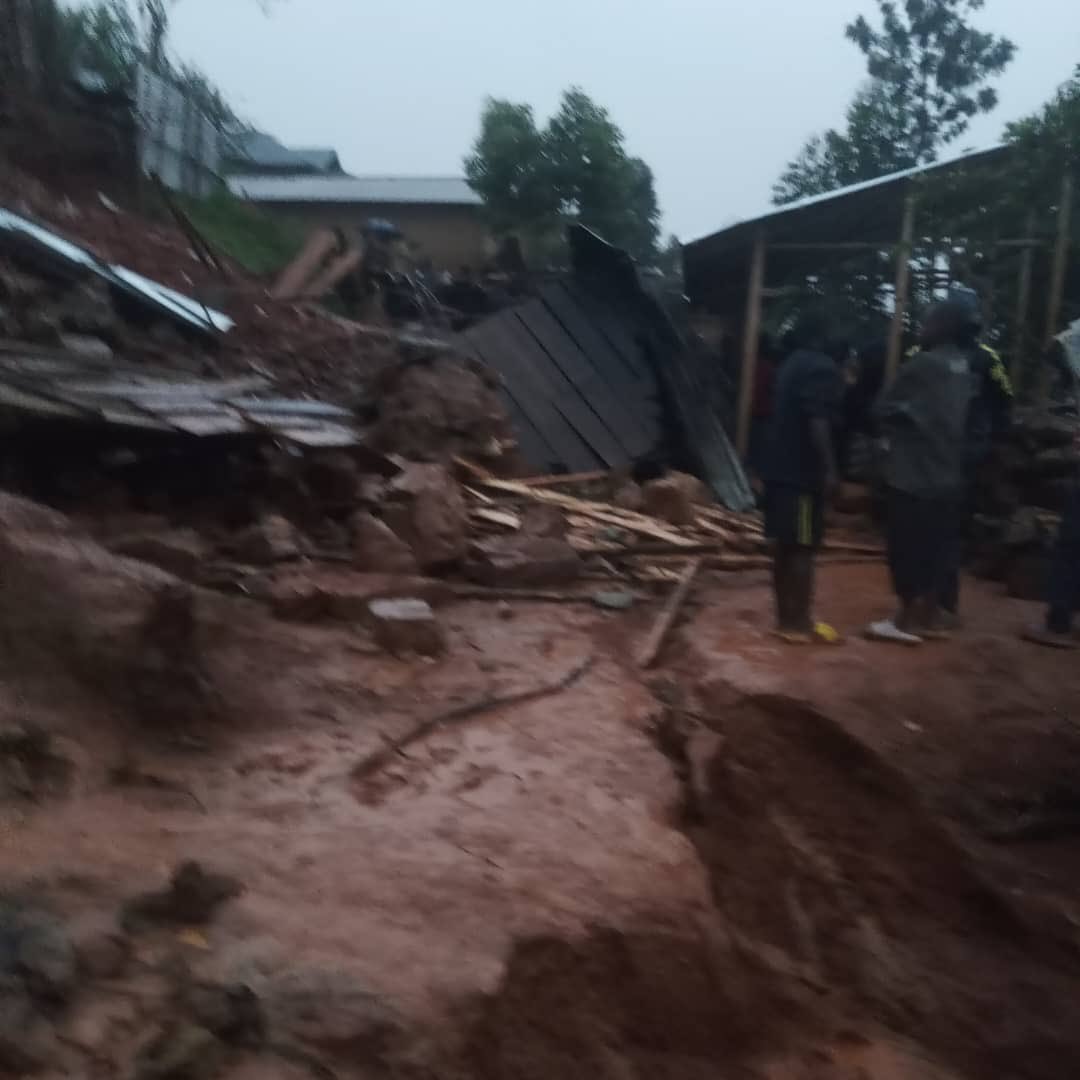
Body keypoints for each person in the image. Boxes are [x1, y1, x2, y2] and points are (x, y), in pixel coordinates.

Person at [868, 301, 973, 644]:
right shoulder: (962, 365)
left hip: (914, 473)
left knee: (905, 548)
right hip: (947, 472)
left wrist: (903, 417)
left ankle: (904, 621)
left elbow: (883, 408)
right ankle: (929, 616)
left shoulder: (923, 365)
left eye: (929, 321)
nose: (922, 326)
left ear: (944, 325)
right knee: (935, 549)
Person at [764, 313, 845, 645]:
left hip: (778, 471)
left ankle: (785, 619)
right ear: (820, 337)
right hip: (801, 475)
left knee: (784, 547)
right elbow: (818, 421)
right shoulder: (821, 368)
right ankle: (799, 623)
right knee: (803, 548)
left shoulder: (789, 364)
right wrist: (829, 469)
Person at [937, 287, 1013, 621]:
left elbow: (1003, 403)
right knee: (944, 527)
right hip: (945, 451)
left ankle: (941, 603)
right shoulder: (930, 352)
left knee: (947, 527)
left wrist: (993, 445)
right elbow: (1004, 403)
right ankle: (934, 602)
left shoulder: (984, 358)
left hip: (959, 453)